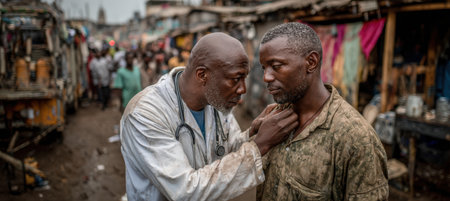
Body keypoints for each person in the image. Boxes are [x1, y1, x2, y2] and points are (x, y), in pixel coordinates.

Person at [120, 32, 298, 201]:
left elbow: (227, 150)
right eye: (236, 78)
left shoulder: (216, 102)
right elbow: (185, 191)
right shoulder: (145, 114)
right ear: (202, 75)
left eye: (244, 78)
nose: (243, 89)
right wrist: (259, 146)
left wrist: (253, 133)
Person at [256, 22, 389, 200]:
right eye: (264, 67)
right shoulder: (273, 119)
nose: (266, 77)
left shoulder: (356, 138)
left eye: (277, 66)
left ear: (311, 62)